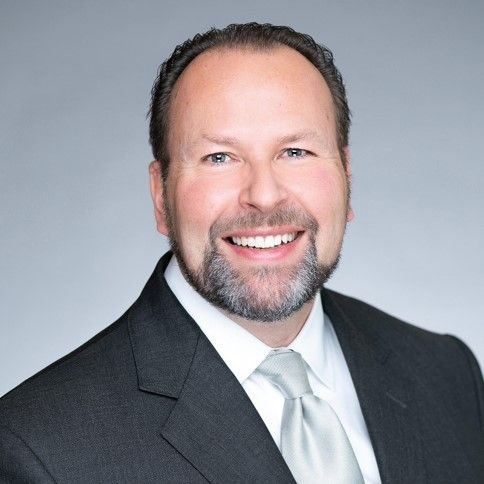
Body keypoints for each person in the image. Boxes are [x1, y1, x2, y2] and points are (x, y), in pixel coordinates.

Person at [0, 22, 482, 484]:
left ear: (346, 177)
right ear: (160, 196)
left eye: (296, 151)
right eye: (219, 158)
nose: (265, 195)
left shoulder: (448, 375)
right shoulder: (40, 450)